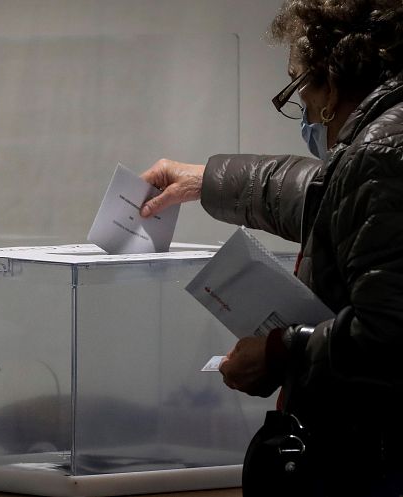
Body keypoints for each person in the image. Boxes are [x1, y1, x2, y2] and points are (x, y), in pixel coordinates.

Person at [139, 1, 403, 495]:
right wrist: (206, 180)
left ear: (330, 83)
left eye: (298, 88)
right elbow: (325, 197)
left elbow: (388, 333)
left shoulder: (382, 153)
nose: (303, 109)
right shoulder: (384, 141)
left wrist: (282, 351)